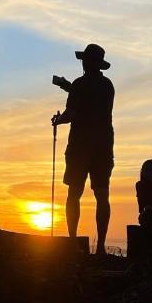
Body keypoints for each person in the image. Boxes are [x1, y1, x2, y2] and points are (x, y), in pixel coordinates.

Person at [52, 43, 114, 255]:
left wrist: (58, 120)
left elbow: (72, 113)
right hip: (103, 146)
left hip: (80, 147)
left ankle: (72, 243)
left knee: (74, 193)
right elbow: (91, 104)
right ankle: (101, 248)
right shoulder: (107, 86)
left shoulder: (79, 85)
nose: (83, 63)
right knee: (102, 195)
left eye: (85, 60)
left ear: (89, 62)